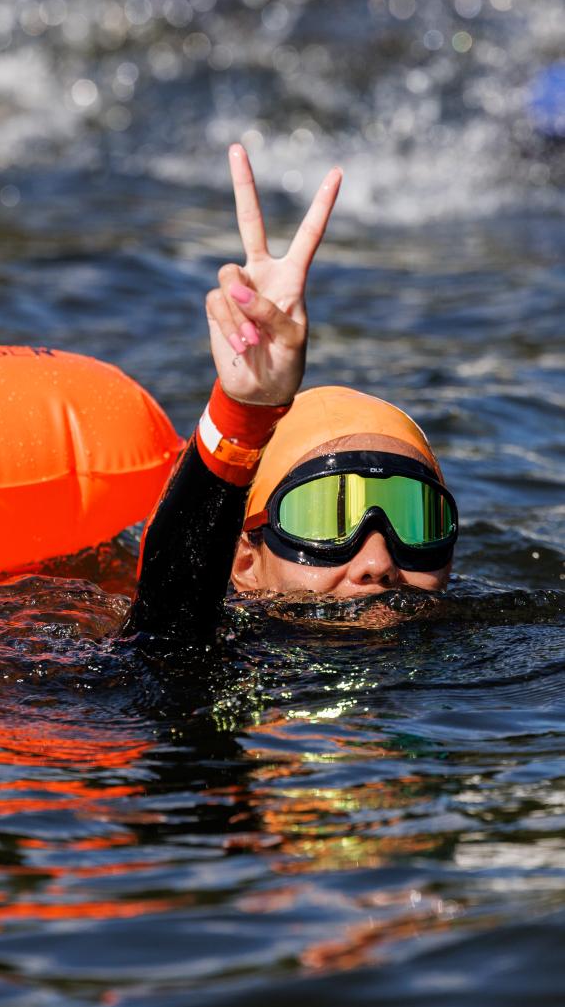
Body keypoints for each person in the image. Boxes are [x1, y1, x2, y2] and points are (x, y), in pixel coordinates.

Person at [124, 144, 458, 640]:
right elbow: (165, 629)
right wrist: (245, 411)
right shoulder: (231, 666)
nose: (377, 562)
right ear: (244, 561)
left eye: (414, 519)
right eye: (324, 516)